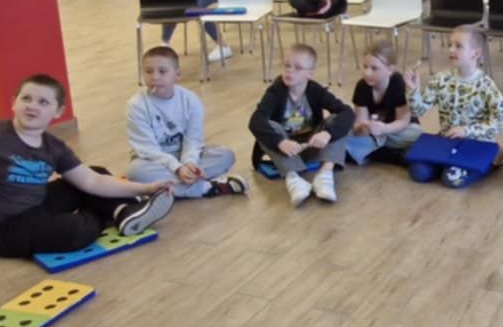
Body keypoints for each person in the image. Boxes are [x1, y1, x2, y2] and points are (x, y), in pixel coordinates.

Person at [0, 75, 169, 258]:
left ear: (58, 111)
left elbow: (92, 181)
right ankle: (106, 213)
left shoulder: (53, 146)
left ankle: (124, 214)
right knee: (76, 232)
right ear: (14, 102)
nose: (32, 105)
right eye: (26, 98)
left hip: (33, 207)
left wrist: (146, 188)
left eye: (43, 102)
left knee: (98, 172)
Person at [123, 46, 245, 201]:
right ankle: (206, 188)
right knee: (135, 172)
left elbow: (193, 140)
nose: (155, 77)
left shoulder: (190, 100)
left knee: (226, 155)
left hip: (183, 155)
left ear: (177, 75)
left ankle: (159, 189)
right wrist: (177, 168)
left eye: (162, 71)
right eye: (148, 71)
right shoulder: (135, 105)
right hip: (154, 161)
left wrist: (189, 163)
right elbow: (147, 149)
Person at [249, 42, 354, 206]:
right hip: (285, 150)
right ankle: (293, 179)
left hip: (311, 145)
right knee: (269, 126)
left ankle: (325, 175)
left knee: (336, 122)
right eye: (287, 65)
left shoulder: (316, 90)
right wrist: (280, 142)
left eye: (297, 68)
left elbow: (347, 112)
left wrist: (327, 133)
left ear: (310, 73)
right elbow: (256, 121)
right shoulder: (275, 92)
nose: (290, 70)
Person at [406, 26, 503, 179]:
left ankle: (492, 157)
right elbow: (418, 111)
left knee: (451, 178)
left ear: (475, 54)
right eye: (450, 45)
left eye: (458, 46)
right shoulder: (441, 79)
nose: (451, 49)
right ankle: (453, 163)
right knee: (419, 172)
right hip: (447, 141)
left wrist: (467, 131)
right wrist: (413, 90)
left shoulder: (486, 85)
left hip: (476, 144)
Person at [347, 39, 422, 165]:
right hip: (374, 132)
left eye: (374, 68)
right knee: (347, 130)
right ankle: (389, 152)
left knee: (416, 133)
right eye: (365, 66)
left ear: (390, 70)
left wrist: (384, 129)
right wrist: (365, 127)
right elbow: (360, 122)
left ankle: (369, 150)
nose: (367, 73)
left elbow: (403, 121)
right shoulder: (361, 86)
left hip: (396, 129)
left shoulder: (397, 83)